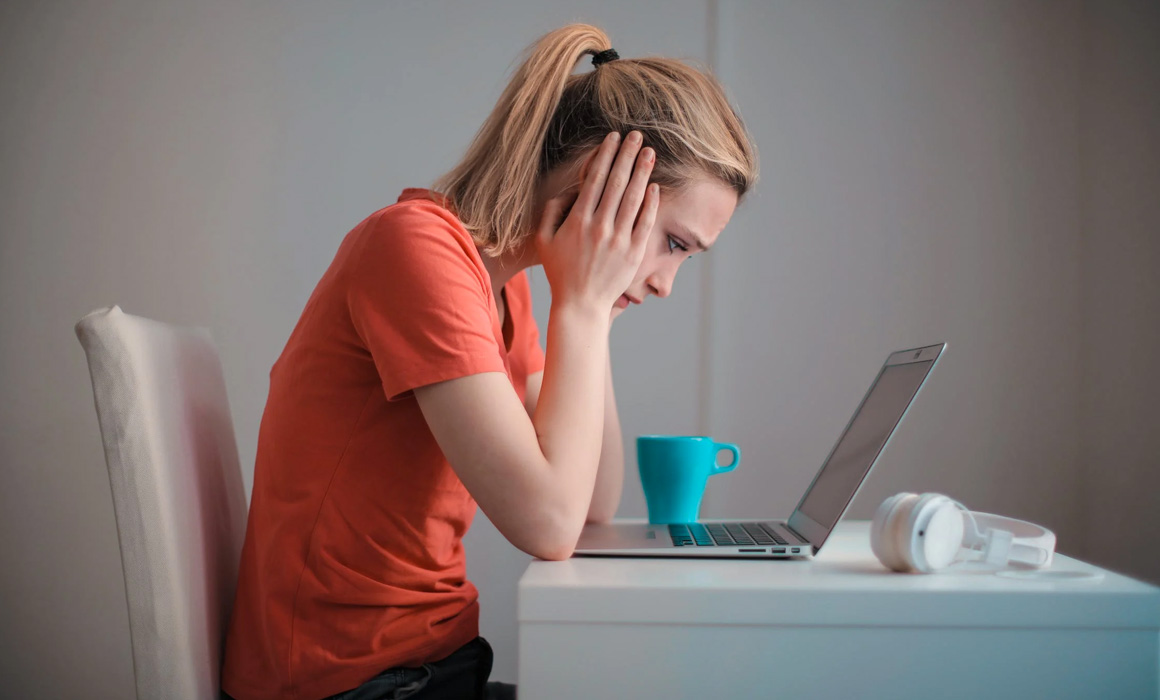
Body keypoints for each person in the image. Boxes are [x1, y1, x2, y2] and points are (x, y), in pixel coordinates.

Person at [220, 22, 758, 700]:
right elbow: (550, 527)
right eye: (675, 244)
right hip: (349, 684)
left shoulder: (504, 290)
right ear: (603, 180)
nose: (665, 282)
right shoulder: (415, 251)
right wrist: (584, 309)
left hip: (432, 667)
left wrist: (595, 308)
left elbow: (593, 502)